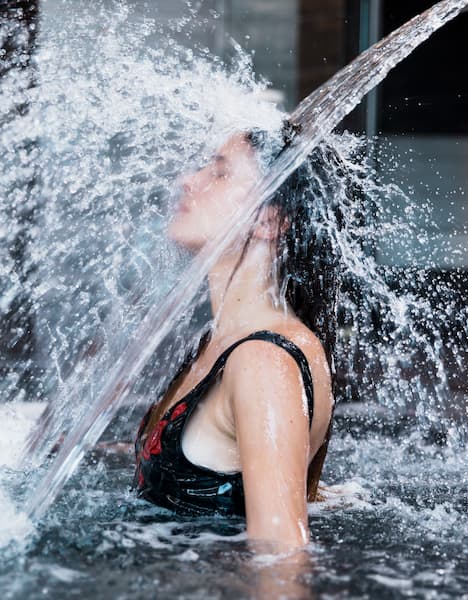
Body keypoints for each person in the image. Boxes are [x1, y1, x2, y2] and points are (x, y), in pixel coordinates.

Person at [133, 122, 348, 551]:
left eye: (219, 172)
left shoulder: (263, 362)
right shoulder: (223, 342)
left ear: (267, 221)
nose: (188, 180)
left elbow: (282, 557)